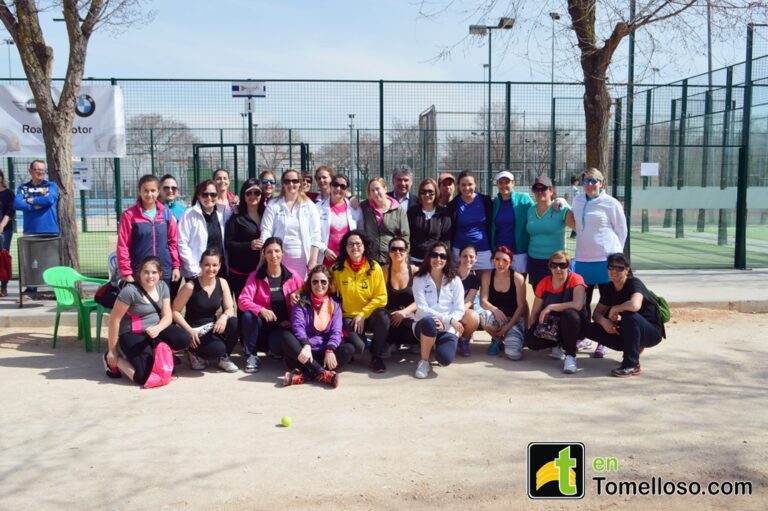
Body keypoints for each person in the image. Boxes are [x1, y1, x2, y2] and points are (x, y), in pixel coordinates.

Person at [567, 167, 627, 358]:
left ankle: (603, 341)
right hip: (583, 261)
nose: (590, 185)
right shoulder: (577, 200)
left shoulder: (611, 203)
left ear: (601, 183)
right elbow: (572, 220)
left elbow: (621, 231)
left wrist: (616, 258)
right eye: (586, 181)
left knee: (606, 302)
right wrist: (559, 202)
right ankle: (583, 336)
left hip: (604, 261)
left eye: (594, 181)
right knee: (583, 303)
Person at [104, 256, 191, 385]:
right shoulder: (129, 292)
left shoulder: (162, 286)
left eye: (154, 272)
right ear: (140, 273)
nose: (150, 276)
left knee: (184, 339)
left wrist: (158, 328)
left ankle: (157, 354)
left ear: (160, 274)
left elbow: (167, 316)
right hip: (132, 333)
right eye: (146, 272)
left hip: (155, 330)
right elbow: (114, 320)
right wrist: (112, 351)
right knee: (144, 378)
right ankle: (110, 358)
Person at [585, 253, 666, 377]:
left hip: (651, 332)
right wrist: (604, 322)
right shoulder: (609, 288)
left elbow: (634, 305)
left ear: (627, 270)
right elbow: (596, 314)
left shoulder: (634, 283)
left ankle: (631, 364)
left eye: (619, 268)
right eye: (611, 267)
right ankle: (633, 347)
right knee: (588, 328)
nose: (614, 271)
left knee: (629, 315)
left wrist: (615, 308)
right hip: (629, 331)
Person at [238, 237, 304, 373]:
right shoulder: (255, 276)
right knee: (248, 315)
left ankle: (274, 350)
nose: (273, 255)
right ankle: (251, 355)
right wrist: (260, 309)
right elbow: (242, 301)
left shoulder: (293, 276)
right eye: (269, 252)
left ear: (282, 253)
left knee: (277, 349)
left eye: (277, 251)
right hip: (260, 326)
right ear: (263, 254)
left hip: (281, 326)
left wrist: (293, 320)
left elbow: (306, 296)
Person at [332, 230, 390, 373]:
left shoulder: (374, 267)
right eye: (350, 244)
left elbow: (382, 297)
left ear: (364, 246)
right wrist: (298, 292)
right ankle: (351, 343)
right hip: (349, 317)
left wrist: (363, 314)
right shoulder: (337, 269)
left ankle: (376, 356)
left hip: (368, 315)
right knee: (359, 347)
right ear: (345, 248)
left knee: (383, 316)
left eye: (358, 244)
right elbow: (321, 286)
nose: (354, 247)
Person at [172, 249, 239, 372]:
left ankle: (224, 358)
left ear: (220, 266)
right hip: (194, 330)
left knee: (234, 323)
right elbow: (175, 311)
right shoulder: (190, 286)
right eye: (207, 264)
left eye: (214, 265)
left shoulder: (222, 283)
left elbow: (230, 308)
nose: (211, 268)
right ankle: (194, 353)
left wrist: (223, 317)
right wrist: (189, 331)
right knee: (217, 349)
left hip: (212, 327)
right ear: (200, 264)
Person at [283, 265, 351, 388]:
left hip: (324, 353)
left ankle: (305, 375)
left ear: (329, 283)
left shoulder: (335, 304)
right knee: (284, 336)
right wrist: (306, 345)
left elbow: (336, 331)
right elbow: (298, 326)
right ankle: (322, 373)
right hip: (304, 353)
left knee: (348, 349)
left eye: (323, 281)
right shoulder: (302, 302)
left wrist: (330, 349)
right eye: (315, 281)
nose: (319, 285)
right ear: (310, 284)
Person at [116, 174, 181, 298]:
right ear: (139, 191)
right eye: (145, 191)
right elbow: (122, 246)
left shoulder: (166, 214)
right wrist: (126, 273)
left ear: (158, 192)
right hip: (140, 272)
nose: (149, 194)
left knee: (165, 308)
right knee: (142, 309)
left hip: (163, 271)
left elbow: (173, 242)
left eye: (153, 191)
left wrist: (176, 266)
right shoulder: (129, 215)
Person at [524, 251, 588, 374]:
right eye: (554, 265)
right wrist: (531, 328)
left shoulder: (576, 279)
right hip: (552, 325)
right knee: (530, 339)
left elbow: (578, 304)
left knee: (570, 314)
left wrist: (551, 307)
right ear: (549, 267)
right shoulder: (544, 282)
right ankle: (556, 344)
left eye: (562, 265)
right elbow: (535, 310)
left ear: (569, 266)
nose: (558, 269)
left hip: (574, 324)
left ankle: (570, 356)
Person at [411, 241, 465, 379]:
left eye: (442, 256)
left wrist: (446, 323)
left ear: (447, 260)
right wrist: (446, 319)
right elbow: (422, 308)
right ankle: (424, 361)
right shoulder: (419, 278)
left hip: (447, 327)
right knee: (430, 322)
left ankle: (434, 343)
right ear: (429, 257)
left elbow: (459, 309)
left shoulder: (455, 280)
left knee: (445, 360)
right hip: (424, 323)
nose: (438, 259)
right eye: (434, 255)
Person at [259, 169, 323, 280]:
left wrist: (313, 261)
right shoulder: (273, 205)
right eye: (287, 181)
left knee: (299, 294)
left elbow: (316, 235)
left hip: (303, 261)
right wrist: (263, 259)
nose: (291, 184)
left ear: (300, 183)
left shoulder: (309, 205)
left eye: (295, 181)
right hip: (278, 260)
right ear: (283, 184)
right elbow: (266, 232)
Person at [14, 160, 59, 298]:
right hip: (30, 230)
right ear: (30, 171)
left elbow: (49, 200)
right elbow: (17, 203)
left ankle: (56, 290)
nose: (40, 172)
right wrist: (35, 205)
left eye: (42, 170)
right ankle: (30, 291)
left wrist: (31, 201)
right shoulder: (23, 188)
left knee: (52, 262)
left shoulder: (51, 185)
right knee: (31, 262)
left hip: (50, 230)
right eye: (37, 169)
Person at [479, 245, 527, 360]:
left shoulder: (518, 278)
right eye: (497, 260)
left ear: (510, 262)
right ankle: (497, 340)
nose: (500, 263)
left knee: (513, 355)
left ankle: (513, 338)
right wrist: (495, 310)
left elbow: (521, 306)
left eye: (505, 260)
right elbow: (483, 301)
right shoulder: (487, 275)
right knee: (484, 316)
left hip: (513, 321)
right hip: (498, 319)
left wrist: (508, 327)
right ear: (493, 261)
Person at [526, 176, 571, 289]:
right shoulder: (530, 210)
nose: (539, 192)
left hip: (556, 263)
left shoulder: (561, 209)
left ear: (551, 190)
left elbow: (579, 227)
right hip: (534, 261)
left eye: (543, 189)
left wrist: (565, 203)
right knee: (539, 295)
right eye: (536, 189)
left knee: (555, 297)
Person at [178, 180, 229, 280]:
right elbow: (182, 243)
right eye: (205, 194)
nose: (209, 198)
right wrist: (194, 269)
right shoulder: (189, 215)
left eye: (213, 194)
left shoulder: (224, 213)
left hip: (219, 269)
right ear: (198, 196)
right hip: (198, 272)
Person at [225, 178, 264, 301]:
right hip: (241, 272)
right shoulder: (236, 217)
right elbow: (228, 244)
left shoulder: (267, 214)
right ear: (244, 195)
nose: (253, 196)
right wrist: (249, 245)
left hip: (262, 270)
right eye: (249, 193)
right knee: (243, 308)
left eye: (257, 193)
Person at [490, 170, 534, 275]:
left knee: (519, 286)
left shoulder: (524, 198)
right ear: (496, 184)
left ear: (513, 183)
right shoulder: (494, 203)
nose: (504, 185)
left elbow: (539, 209)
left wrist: (559, 201)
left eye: (507, 182)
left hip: (519, 253)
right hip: (499, 253)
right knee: (501, 286)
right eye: (501, 182)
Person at [448, 170, 493, 272]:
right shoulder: (453, 205)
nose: (467, 188)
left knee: (486, 284)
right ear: (458, 186)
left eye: (470, 184)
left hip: (483, 250)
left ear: (475, 184)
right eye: (463, 185)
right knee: (462, 285)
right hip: (460, 251)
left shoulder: (485, 201)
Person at [360, 177, 409, 265]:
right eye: (372, 190)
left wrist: (404, 257)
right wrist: (352, 198)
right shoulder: (364, 207)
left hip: (391, 258)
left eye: (377, 189)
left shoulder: (398, 210)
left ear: (385, 189)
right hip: (370, 258)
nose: (375, 193)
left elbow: (405, 235)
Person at [382, 236, 419, 350]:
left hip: (410, 314)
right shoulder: (383, 271)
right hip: (391, 316)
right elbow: (378, 296)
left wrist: (404, 312)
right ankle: (392, 342)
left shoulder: (415, 271)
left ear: (406, 252)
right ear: (389, 252)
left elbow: (421, 300)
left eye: (401, 249)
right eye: (393, 249)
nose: (397, 252)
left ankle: (413, 341)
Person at [317, 173, 361, 268]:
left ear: (346, 190)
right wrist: (324, 250)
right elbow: (312, 234)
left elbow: (360, 233)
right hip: (325, 259)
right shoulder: (318, 208)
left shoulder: (355, 209)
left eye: (342, 186)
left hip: (347, 259)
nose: (338, 188)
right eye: (335, 184)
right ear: (330, 186)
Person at [407, 178, 451, 265]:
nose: (427, 195)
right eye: (424, 192)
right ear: (420, 194)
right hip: (414, 260)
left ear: (436, 193)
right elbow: (408, 236)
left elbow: (446, 239)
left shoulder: (443, 213)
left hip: (436, 261)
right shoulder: (412, 212)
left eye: (431, 192)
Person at [456, 244, 481, 357]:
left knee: (474, 317)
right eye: (464, 256)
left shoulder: (474, 280)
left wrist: (456, 314)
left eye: (471, 256)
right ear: (459, 257)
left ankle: (464, 340)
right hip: (447, 311)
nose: (468, 259)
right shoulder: (450, 275)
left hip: (462, 312)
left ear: (476, 259)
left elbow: (469, 301)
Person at [0, 170, 15, 297]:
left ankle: (3, 287)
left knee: (3, 258)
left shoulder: (8, 194)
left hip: (5, 231)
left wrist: (2, 225)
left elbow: (10, 211)